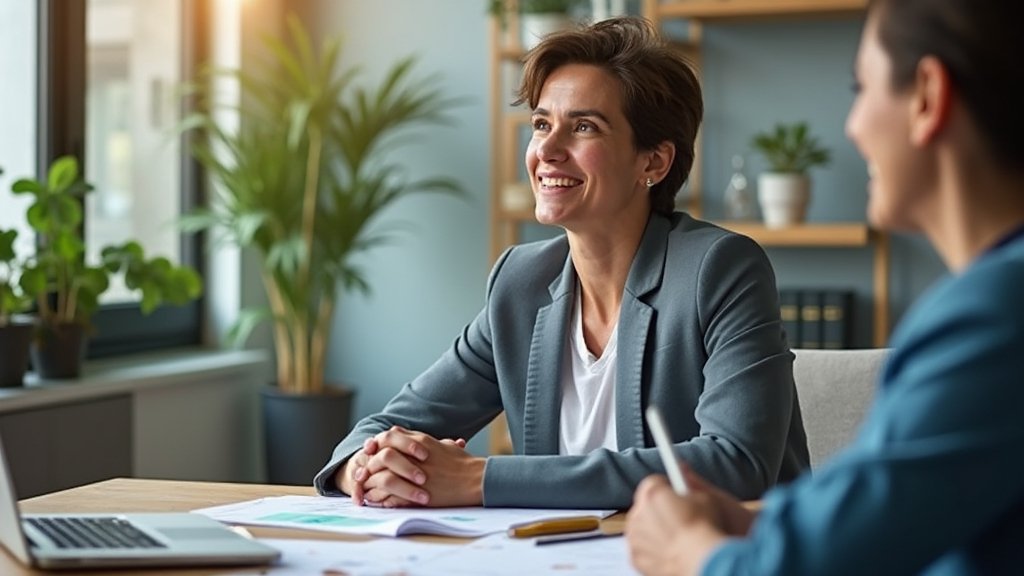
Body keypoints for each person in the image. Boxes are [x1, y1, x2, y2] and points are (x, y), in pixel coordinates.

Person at [313, 16, 809, 510]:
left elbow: (736, 462)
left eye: (584, 127)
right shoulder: (521, 283)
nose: (546, 151)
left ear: (653, 163)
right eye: (541, 124)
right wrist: (368, 465)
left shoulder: (719, 269)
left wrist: (480, 480)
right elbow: (383, 427)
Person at [625, 0, 1024, 573]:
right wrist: (756, 525)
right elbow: (890, 516)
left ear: (928, 98)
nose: (852, 126)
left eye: (861, 88)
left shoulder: (994, 317)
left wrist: (689, 553)